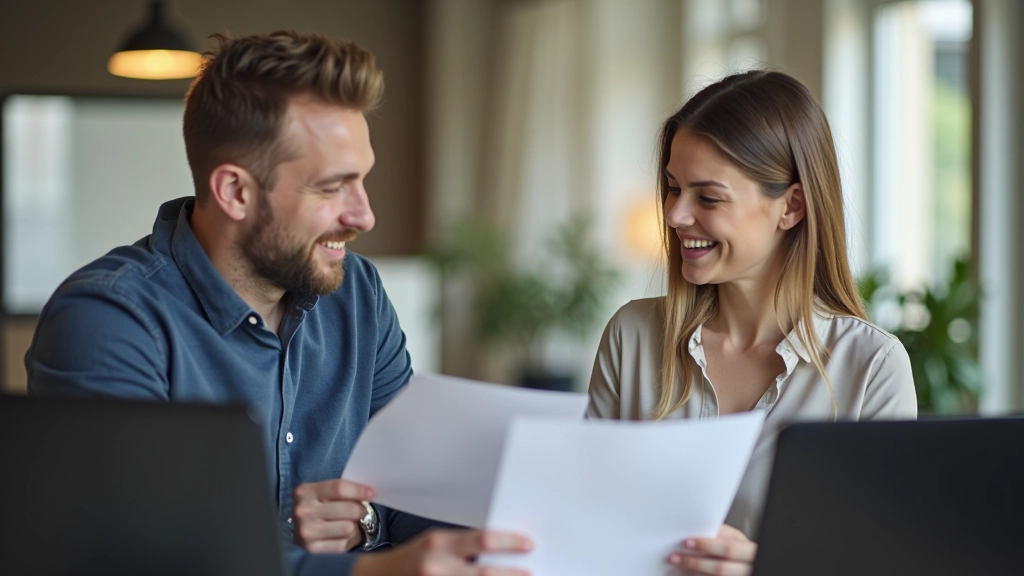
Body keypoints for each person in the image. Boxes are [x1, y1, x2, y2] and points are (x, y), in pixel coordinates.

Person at [26, 30, 531, 576]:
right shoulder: (107, 320)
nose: (364, 216)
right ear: (236, 192)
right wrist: (370, 570)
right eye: (333, 187)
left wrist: (368, 523)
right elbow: (140, 553)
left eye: (362, 180)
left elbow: (418, 496)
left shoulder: (358, 294)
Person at [587, 70, 917, 576]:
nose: (675, 215)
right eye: (673, 189)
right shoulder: (632, 336)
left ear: (791, 206)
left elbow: (885, 562)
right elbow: (581, 525)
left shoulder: (871, 367)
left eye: (708, 197)